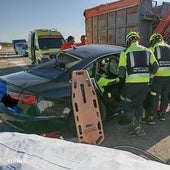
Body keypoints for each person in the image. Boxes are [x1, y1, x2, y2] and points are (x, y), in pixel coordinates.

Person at [117, 31, 158, 136]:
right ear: (137, 40)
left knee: (126, 105)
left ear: (128, 41)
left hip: (131, 84)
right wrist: (150, 77)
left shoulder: (125, 52)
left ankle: (137, 127)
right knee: (139, 104)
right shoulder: (148, 51)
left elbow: (121, 72)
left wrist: (120, 76)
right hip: (144, 83)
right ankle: (136, 126)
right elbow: (155, 66)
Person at [145, 33, 170, 123]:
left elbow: (148, 64)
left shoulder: (153, 48)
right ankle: (162, 114)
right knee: (165, 95)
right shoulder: (169, 47)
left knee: (154, 96)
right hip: (169, 76)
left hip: (158, 76)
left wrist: (150, 78)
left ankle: (151, 116)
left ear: (153, 40)